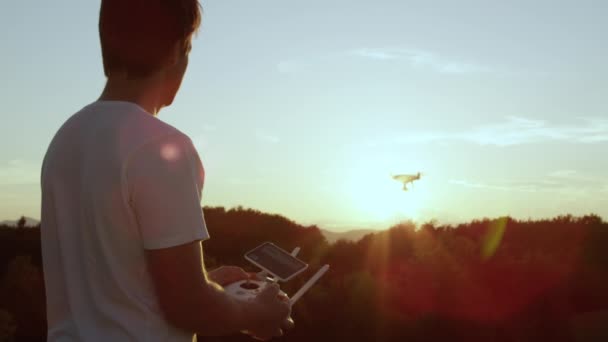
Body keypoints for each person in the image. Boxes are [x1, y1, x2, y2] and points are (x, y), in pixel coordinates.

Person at [40, 1, 292, 341]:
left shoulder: (66, 138)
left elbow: (109, 287)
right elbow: (188, 306)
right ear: (177, 51)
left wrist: (207, 283)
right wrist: (255, 312)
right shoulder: (161, 147)